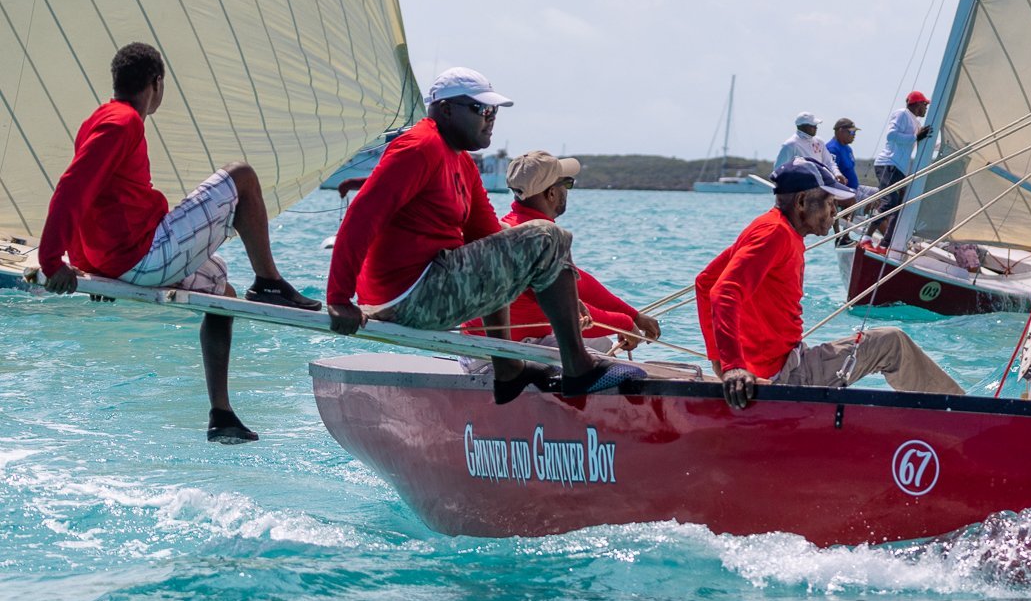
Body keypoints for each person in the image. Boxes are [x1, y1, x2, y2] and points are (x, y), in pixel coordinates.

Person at [39, 41, 321, 445]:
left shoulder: (99, 119)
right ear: (156, 84)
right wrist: (53, 261)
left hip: (122, 258)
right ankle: (271, 282)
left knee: (223, 293)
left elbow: (94, 196)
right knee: (241, 176)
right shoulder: (124, 123)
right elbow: (72, 187)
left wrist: (90, 265)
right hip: (143, 256)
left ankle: (221, 414)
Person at [325, 67, 644, 400]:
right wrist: (338, 299)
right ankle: (578, 368)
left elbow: (491, 241)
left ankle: (507, 370)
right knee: (549, 236)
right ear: (446, 109)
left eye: (493, 112)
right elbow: (362, 216)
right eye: (480, 109)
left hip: (433, 287)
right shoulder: (420, 145)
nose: (490, 119)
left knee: (507, 245)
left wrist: (565, 298)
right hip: (409, 297)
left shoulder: (461, 162)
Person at [696, 157, 964, 409]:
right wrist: (732, 367)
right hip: (786, 378)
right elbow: (724, 291)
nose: (834, 212)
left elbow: (705, 283)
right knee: (893, 344)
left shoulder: (768, 225)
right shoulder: (775, 234)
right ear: (802, 201)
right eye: (828, 202)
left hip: (786, 362)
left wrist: (720, 362)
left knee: (888, 341)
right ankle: (963, 416)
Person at [467, 150, 661, 353]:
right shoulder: (540, 239)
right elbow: (565, 311)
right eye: (566, 184)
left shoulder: (513, 226)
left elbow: (579, 282)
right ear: (551, 193)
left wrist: (632, 316)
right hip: (500, 354)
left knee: (603, 343)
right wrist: (623, 323)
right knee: (605, 359)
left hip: (480, 344)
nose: (567, 191)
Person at [870, 90, 934, 239]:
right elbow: (891, 135)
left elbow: (920, 140)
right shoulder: (902, 114)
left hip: (900, 169)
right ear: (918, 104)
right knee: (890, 202)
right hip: (888, 163)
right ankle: (867, 237)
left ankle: (886, 242)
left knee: (900, 205)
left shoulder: (916, 122)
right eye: (925, 105)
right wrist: (914, 137)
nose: (926, 108)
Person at [773, 111, 842, 180]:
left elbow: (829, 162)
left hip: (821, 184)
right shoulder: (790, 144)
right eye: (813, 126)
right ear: (803, 127)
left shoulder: (819, 141)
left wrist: (837, 173)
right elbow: (778, 170)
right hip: (801, 188)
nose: (816, 128)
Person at [825, 118, 862, 189]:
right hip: (845, 191)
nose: (854, 135)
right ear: (840, 131)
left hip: (856, 188)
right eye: (851, 132)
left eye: (855, 132)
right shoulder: (832, 149)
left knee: (879, 193)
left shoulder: (848, 148)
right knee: (880, 199)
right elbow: (830, 174)